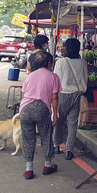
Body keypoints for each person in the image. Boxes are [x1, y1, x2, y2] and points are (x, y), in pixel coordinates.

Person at [19, 51, 61, 180]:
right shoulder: (53, 77)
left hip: (25, 108)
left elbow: (24, 94)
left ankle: (28, 169)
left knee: (28, 138)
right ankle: (47, 165)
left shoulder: (30, 76)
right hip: (42, 107)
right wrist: (55, 114)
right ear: (49, 63)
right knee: (46, 135)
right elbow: (54, 98)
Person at [52, 38, 86, 160]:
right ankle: (69, 150)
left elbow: (55, 78)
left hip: (62, 94)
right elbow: (84, 79)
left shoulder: (60, 62)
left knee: (58, 120)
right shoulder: (83, 62)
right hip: (77, 94)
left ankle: (56, 145)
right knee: (72, 123)